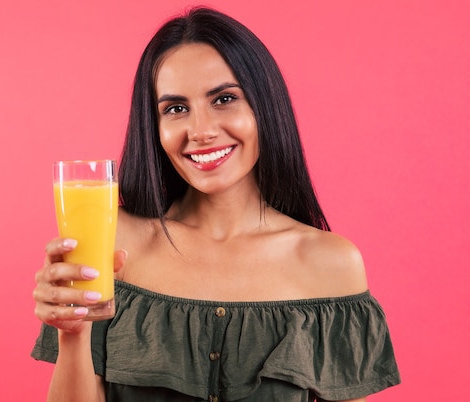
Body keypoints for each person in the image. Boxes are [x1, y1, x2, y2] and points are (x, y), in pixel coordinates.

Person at [32, 7, 400, 402]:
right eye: (175, 109)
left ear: (265, 107)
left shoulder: (331, 263)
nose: (201, 131)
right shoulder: (116, 241)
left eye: (224, 99)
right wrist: (72, 332)